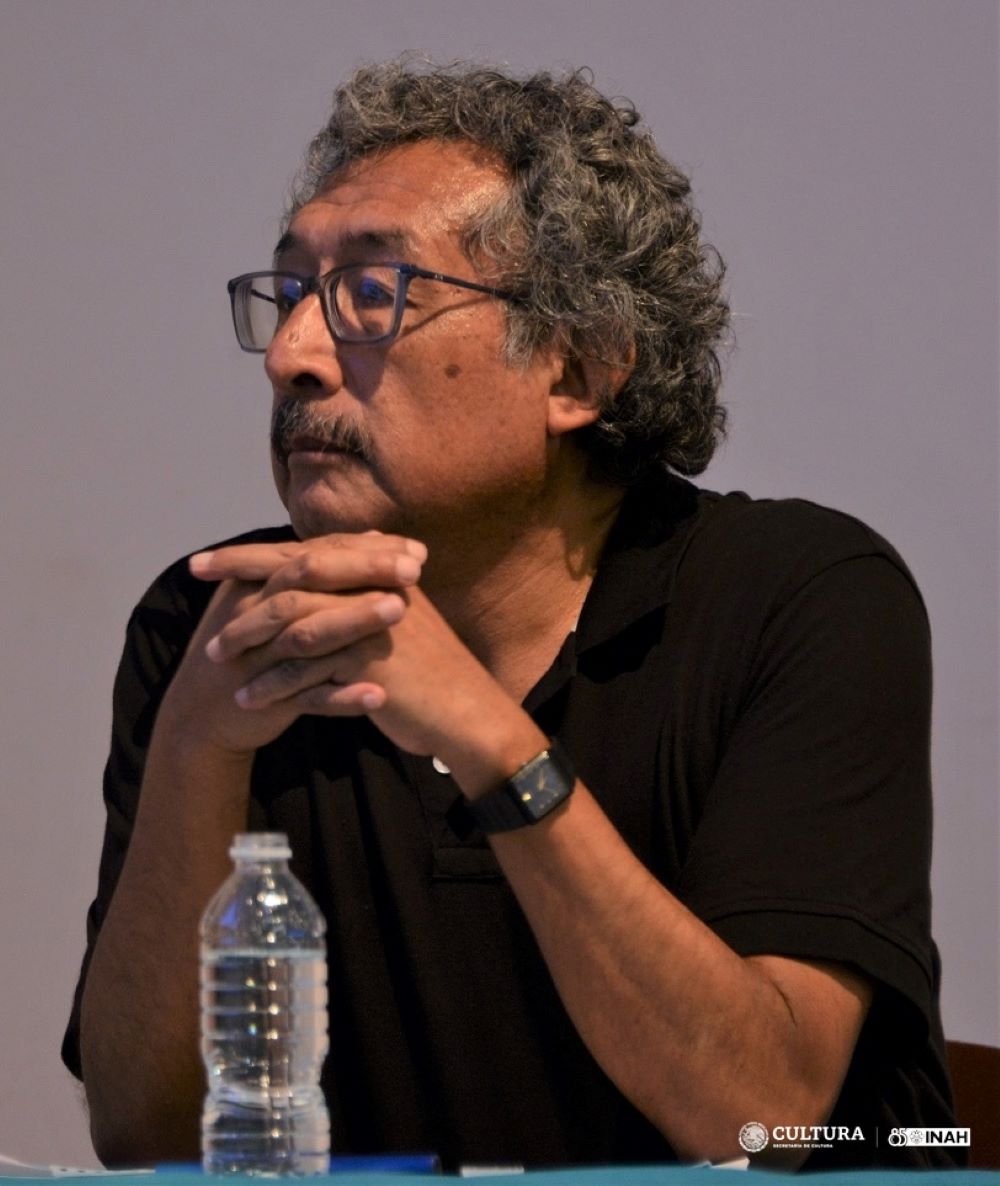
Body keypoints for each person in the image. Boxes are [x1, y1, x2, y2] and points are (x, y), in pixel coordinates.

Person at [63, 59, 957, 1170]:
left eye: (372, 295)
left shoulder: (800, 597)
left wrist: (492, 741)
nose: (292, 357)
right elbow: (144, 1137)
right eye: (290, 294)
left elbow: (761, 1120)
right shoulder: (215, 624)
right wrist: (198, 742)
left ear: (577, 367)